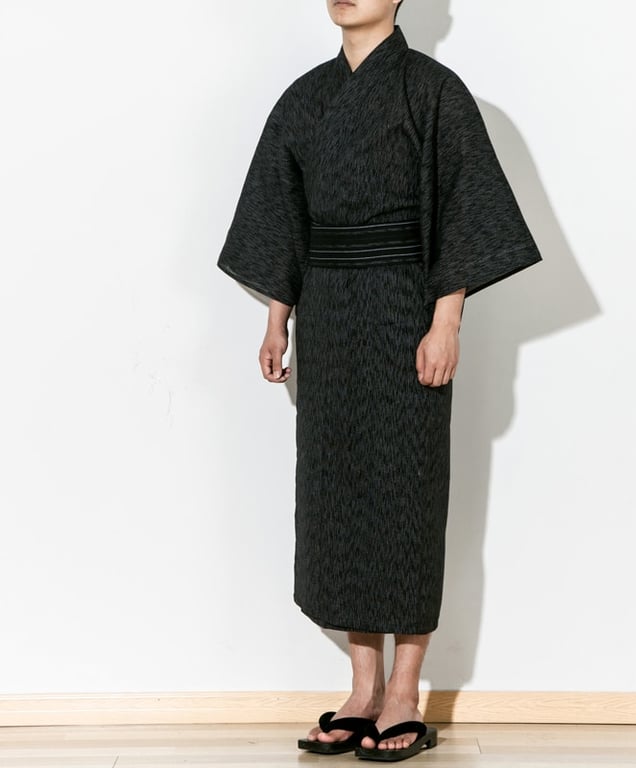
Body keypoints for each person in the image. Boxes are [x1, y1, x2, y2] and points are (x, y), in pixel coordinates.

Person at [217, 0, 542, 761]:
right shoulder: (304, 99)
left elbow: (464, 206)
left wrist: (446, 320)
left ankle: (405, 692)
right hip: (329, 316)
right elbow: (282, 215)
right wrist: (277, 318)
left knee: (406, 492)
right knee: (338, 495)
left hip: (404, 310)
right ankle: (363, 688)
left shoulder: (433, 91)